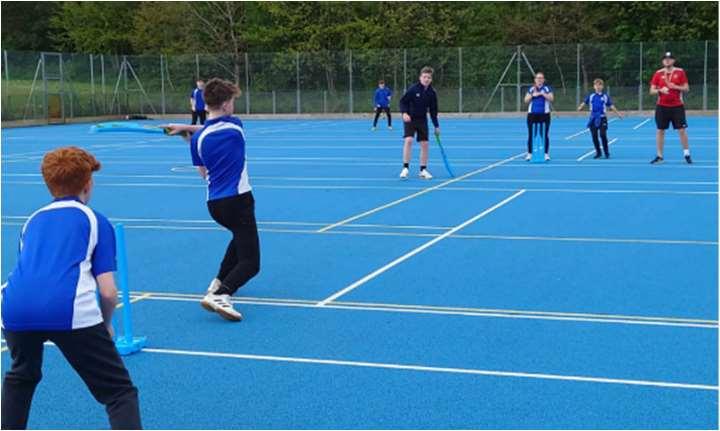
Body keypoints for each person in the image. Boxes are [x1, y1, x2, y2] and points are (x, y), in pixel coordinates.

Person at [1, 147, 141, 430]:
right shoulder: (95, 220)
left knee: (22, 375)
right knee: (118, 392)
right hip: (68, 308)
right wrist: (106, 324)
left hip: (14, 307)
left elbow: (29, 271)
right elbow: (108, 291)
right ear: (88, 183)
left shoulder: (32, 220)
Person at [168, 78, 259, 321]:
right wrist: (186, 128)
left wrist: (186, 129)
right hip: (239, 200)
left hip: (215, 204)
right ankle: (221, 294)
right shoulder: (235, 126)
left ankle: (218, 281)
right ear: (227, 104)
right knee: (251, 263)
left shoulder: (198, 140)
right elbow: (217, 126)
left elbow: (204, 173)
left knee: (239, 238)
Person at [649, 52, 692, 164]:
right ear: (662, 61)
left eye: (669, 58)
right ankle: (659, 156)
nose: (667, 60)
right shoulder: (658, 73)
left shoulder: (680, 72)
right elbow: (652, 90)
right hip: (662, 106)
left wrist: (675, 86)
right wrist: (660, 90)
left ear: (673, 60)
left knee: (682, 130)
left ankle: (687, 154)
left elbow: (687, 88)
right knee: (660, 130)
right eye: (665, 59)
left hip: (677, 106)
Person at [398, 66, 440, 180]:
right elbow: (403, 102)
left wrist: (436, 126)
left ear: (431, 79)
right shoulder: (413, 89)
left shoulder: (432, 92)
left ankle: (423, 170)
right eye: (424, 77)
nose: (426, 79)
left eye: (429, 77)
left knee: (425, 144)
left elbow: (433, 111)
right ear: (420, 77)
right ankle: (405, 168)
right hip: (410, 119)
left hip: (422, 120)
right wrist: (404, 113)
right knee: (409, 140)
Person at [577, 78, 624, 159]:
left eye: (600, 85)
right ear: (594, 86)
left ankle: (606, 152)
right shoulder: (591, 96)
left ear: (602, 86)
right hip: (593, 119)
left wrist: (618, 114)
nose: (598, 87)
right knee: (594, 136)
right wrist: (580, 107)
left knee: (603, 135)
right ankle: (598, 152)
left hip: (602, 118)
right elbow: (584, 102)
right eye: (596, 85)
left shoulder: (605, 96)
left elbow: (611, 106)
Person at [523, 72, 554, 161]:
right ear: (535, 80)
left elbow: (551, 98)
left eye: (541, 78)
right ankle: (529, 153)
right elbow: (525, 100)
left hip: (544, 115)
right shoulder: (531, 89)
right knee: (531, 134)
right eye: (538, 78)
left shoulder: (547, 88)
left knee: (544, 134)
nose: (539, 80)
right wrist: (533, 95)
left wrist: (543, 94)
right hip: (532, 115)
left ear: (543, 80)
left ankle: (546, 154)